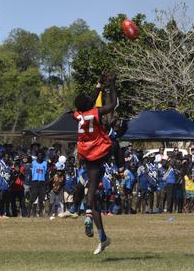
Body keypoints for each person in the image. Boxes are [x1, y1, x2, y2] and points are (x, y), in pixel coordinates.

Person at [69, 73, 120, 255]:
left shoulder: (78, 115)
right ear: (89, 104)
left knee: (90, 192)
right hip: (100, 151)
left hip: (86, 154)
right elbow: (113, 104)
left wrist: (98, 85)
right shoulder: (95, 112)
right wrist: (112, 85)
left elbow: (88, 101)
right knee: (114, 143)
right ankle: (100, 232)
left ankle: (88, 216)